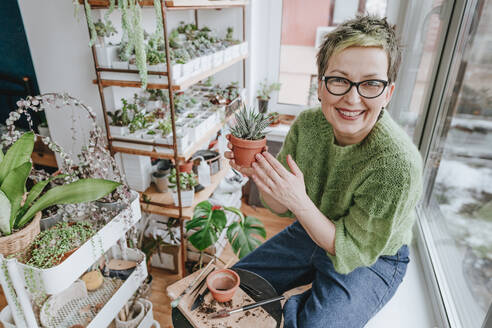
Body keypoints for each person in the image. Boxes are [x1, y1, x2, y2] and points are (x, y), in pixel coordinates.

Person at [225, 15, 423, 328]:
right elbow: (279, 206)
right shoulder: (307, 127)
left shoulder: (396, 164)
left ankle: (295, 309)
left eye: (370, 83)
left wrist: (300, 201)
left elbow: (350, 250)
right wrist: (259, 176)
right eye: (339, 80)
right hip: (311, 229)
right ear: (320, 86)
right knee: (239, 286)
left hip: (373, 256)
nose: (352, 98)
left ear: (388, 92)